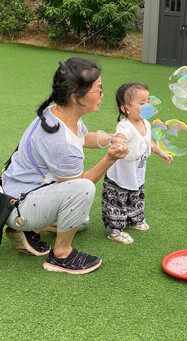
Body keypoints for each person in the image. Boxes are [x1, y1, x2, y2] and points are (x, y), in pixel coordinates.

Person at [1, 57, 129, 274]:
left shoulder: (60, 113)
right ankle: (61, 255)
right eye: (98, 90)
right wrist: (110, 159)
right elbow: (79, 185)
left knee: (81, 221)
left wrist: (111, 138)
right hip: (18, 203)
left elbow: (85, 136)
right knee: (84, 190)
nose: (102, 95)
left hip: (19, 194)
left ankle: (29, 229)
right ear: (76, 97)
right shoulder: (59, 139)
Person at [101, 83, 172, 244]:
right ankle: (115, 230)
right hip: (121, 174)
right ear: (126, 109)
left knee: (136, 196)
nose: (147, 105)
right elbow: (120, 136)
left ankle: (134, 220)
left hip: (136, 171)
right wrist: (119, 143)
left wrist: (161, 152)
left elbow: (149, 142)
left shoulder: (145, 123)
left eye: (148, 101)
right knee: (118, 200)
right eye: (142, 103)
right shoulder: (125, 125)